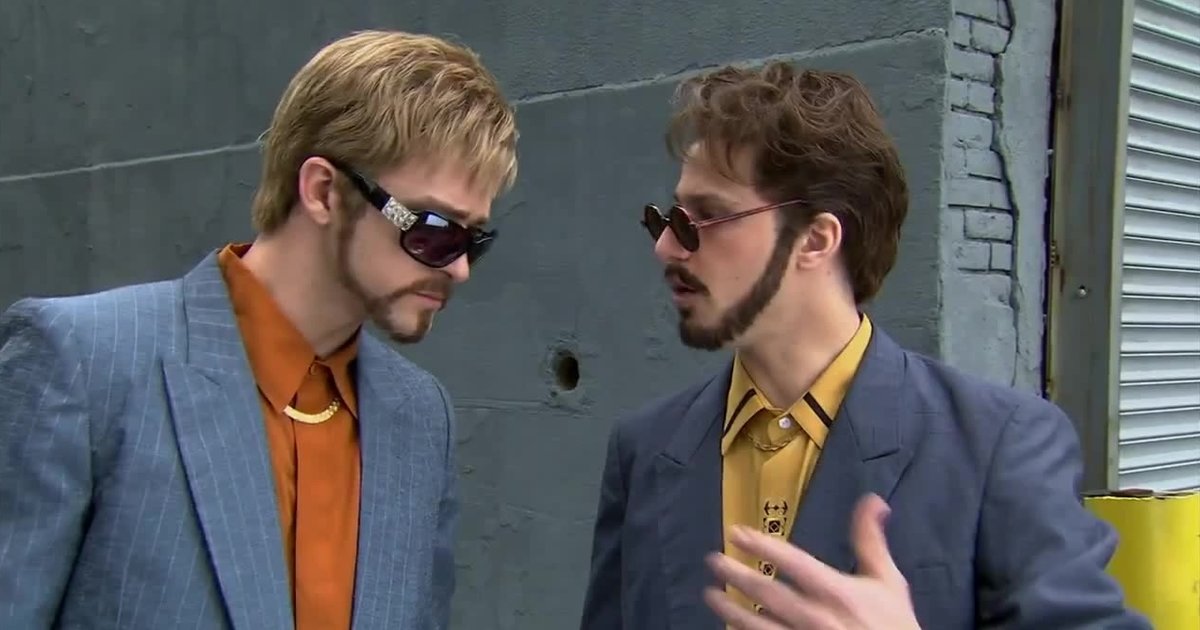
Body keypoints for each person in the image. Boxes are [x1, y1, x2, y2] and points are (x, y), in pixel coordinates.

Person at [578, 62, 1148, 629]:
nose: (667, 249)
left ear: (816, 239)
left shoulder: (1000, 445)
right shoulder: (645, 450)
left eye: (706, 217)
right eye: (666, 219)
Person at [0, 30, 517, 630]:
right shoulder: (83, 361)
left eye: (474, 240)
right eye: (435, 229)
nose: (458, 267)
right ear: (323, 192)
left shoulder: (422, 416)